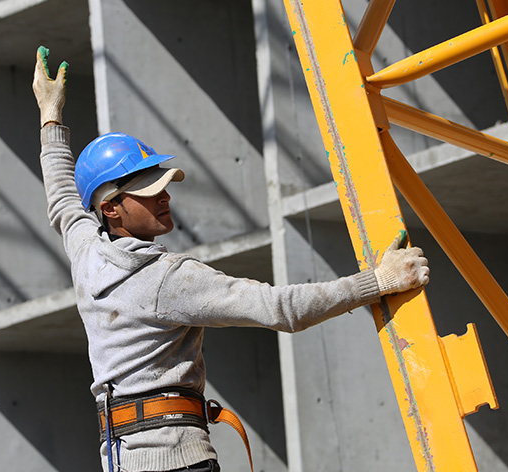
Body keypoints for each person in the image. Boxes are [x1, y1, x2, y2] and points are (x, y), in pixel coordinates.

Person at [32, 46, 429, 472]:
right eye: (148, 191)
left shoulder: (89, 250)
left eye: (163, 184)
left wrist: (50, 114)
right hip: (177, 462)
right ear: (111, 208)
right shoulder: (165, 279)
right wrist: (378, 282)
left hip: (122, 461)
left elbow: (62, 198)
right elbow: (280, 309)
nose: (164, 195)